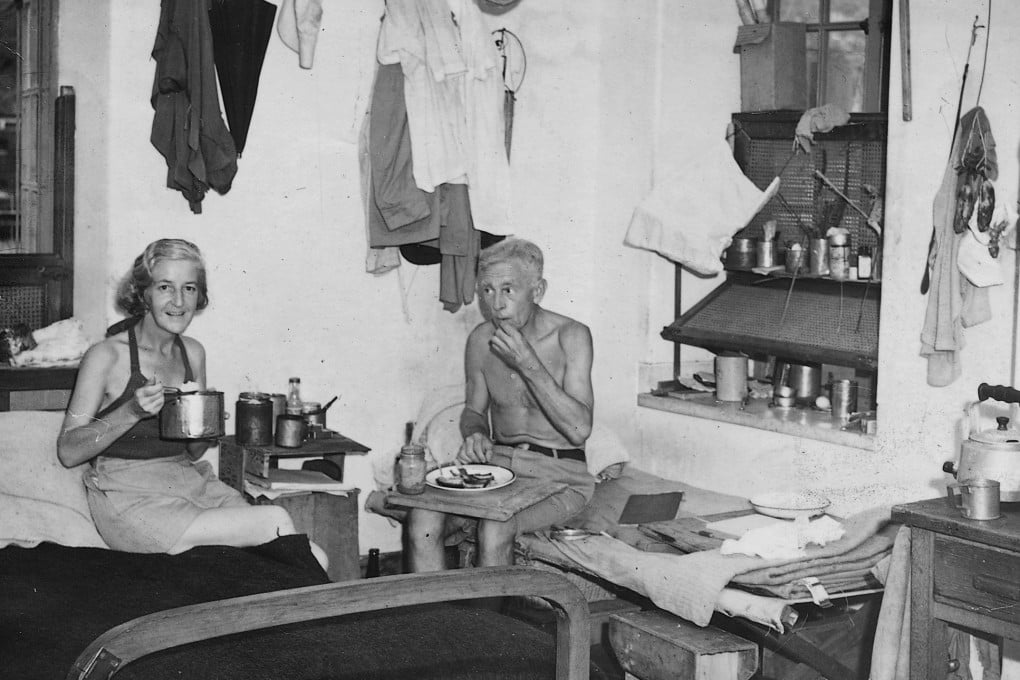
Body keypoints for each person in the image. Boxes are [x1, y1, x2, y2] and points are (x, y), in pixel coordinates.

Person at [57, 239, 328, 570]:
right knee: (275, 520)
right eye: (164, 287)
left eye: (189, 288)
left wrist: (208, 426)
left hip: (189, 484)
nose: (179, 301)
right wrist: (131, 411)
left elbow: (193, 452)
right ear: (143, 293)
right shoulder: (105, 356)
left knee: (318, 557)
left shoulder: (193, 353)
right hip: (129, 497)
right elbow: (68, 451)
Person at [407, 238, 596, 571]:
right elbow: (473, 412)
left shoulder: (571, 336)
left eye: (508, 290)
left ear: (537, 291)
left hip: (560, 476)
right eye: (488, 290)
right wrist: (476, 434)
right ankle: (434, 608)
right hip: (498, 469)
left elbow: (580, 430)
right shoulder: (481, 340)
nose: (496, 304)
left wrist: (528, 363)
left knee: (495, 526)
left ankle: (493, 608)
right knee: (422, 520)